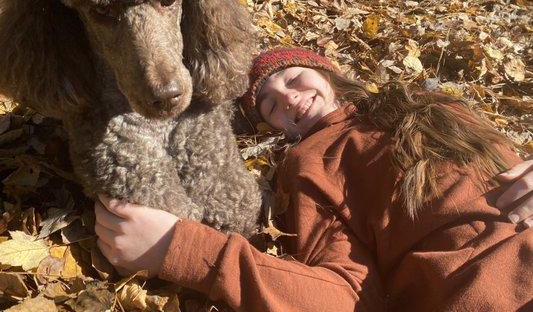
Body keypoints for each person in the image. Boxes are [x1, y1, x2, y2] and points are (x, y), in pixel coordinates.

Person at [95, 47, 533, 311]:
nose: (287, 97)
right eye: (268, 106)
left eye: (291, 77)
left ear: (324, 71)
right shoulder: (309, 162)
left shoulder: (429, 104)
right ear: (276, 131)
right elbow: (347, 296)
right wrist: (181, 246)